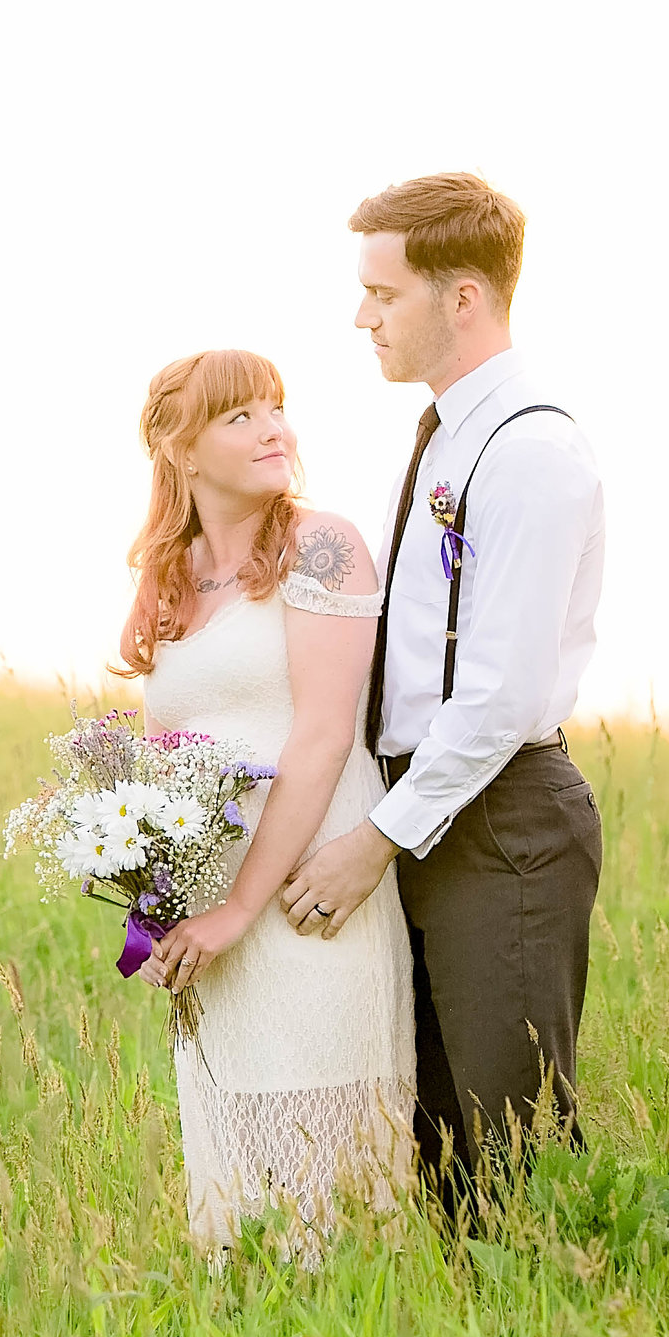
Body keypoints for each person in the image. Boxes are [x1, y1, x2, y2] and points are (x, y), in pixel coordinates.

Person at [278, 173, 606, 1219]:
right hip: (427, 808)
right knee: (435, 1145)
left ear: (461, 298)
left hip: (500, 818)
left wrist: (374, 837)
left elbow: (499, 697)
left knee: (510, 1140)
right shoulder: (442, 437)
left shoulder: (532, 453)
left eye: (383, 293)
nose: (360, 316)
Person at [124, 349, 414, 1257]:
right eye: (239, 415)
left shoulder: (319, 544)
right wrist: (157, 896)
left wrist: (241, 907)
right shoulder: (170, 575)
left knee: (321, 1146)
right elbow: (165, 750)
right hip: (208, 913)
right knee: (233, 1160)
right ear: (181, 447)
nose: (273, 428)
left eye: (276, 408)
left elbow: (325, 734)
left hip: (301, 891)